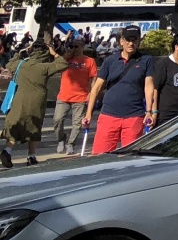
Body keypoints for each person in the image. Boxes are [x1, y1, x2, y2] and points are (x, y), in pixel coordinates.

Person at [85, 27, 156, 155]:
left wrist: (149, 111)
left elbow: (149, 86)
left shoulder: (146, 60)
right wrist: (88, 113)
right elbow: (96, 88)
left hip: (134, 116)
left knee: (130, 158)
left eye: (134, 40)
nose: (131, 43)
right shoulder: (110, 61)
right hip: (109, 114)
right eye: (128, 40)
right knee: (100, 156)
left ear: (139, 41)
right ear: (121, 41)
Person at [3, 36, 69, 167]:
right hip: (37, 103)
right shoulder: (45, 67)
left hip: (19, 101)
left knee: (15, 127)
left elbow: (9, 64)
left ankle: (7, 151)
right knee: (35, 129)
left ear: (31, 50)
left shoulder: (20, 65)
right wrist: (54, 53)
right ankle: (31, 156)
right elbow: (63, 64)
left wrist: (19, 53)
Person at [53, 36, 97, 154]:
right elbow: (55, 67)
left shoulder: (89, 61)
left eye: (76, 46)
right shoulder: (65, 59)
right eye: (71, 46)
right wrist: (65, 56)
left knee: (77, 123)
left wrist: (91, 93)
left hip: (80, 97)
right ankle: (61, 139)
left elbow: (94, 79)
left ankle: (71, 143)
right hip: (63, 96)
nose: (73, 48)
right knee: (58, 120)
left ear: (82, 47)